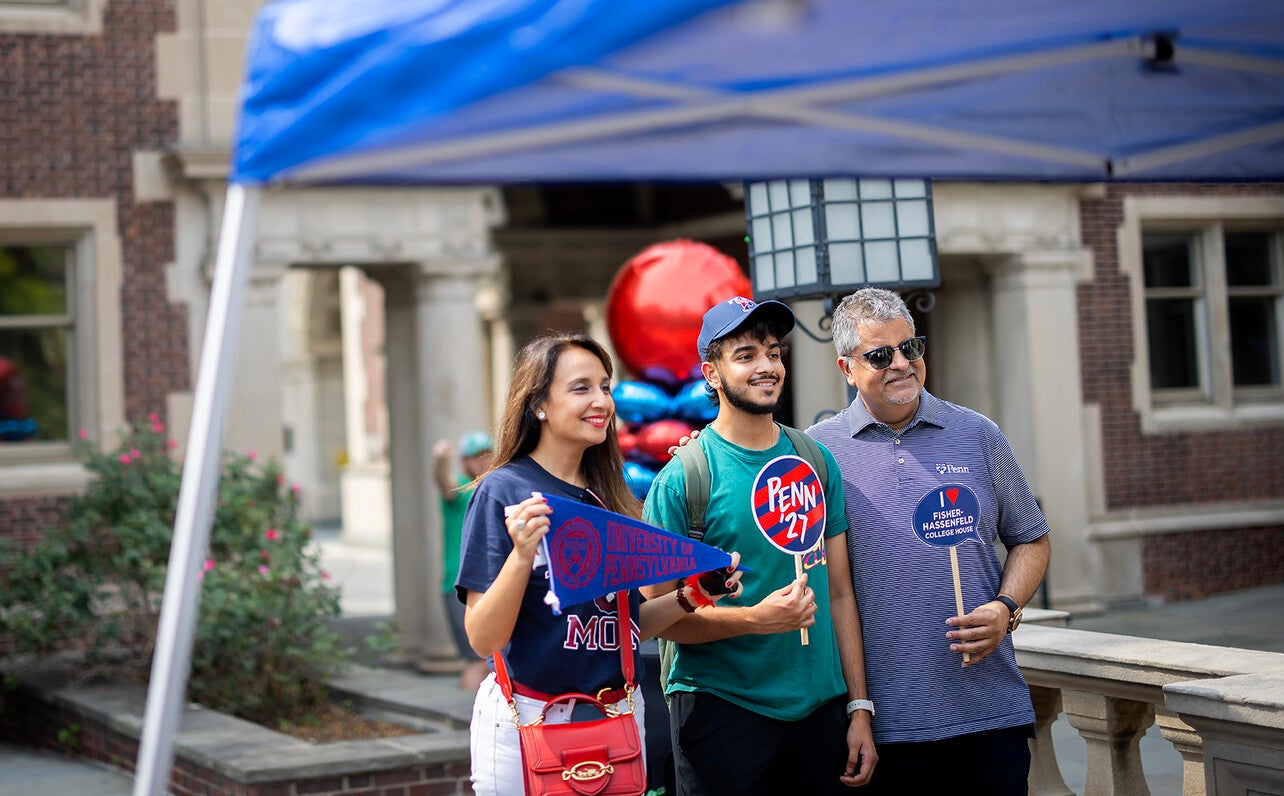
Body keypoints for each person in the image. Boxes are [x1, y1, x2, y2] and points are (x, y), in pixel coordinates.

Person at [455, 332, 742, 796]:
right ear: (538, 404)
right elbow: (483, 638)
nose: (601, 401)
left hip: (615, 716)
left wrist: (695, 595)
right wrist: (523, 554)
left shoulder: (613, 498)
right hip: (526, 721)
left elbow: (623, 625)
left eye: (605, 386)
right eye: (581, 387)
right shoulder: (502, 492)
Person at [807, 287, 1051, 795]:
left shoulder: (979, 434)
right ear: (847, 368)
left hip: (991, 714)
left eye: (910, 348)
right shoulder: (818, 453)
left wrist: (1006, 607)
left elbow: (1032, 539)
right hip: (888, 728)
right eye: (880, 354)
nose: (901, 364)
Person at [642, 297, 877, 795]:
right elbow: (657, 619)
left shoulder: (815, 460)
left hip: (819, 710)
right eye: (746, 355)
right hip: (721, 710)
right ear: (712, 373)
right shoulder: (683, 480)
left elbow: (839, 594)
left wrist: (858, 707)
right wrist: (755, 619)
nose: (767, 366)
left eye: (774, 352)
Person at [432, 430, 493, 692]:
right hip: (459, 586)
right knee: (477, 660)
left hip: (487, 584)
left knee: (487, 661)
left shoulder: (494, 489)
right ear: (464, 462)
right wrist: (439, 462)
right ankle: (467, 718)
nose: (483, 461)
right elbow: (442, 481)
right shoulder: (459, 490)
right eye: (475, 457)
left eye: (487, 454)